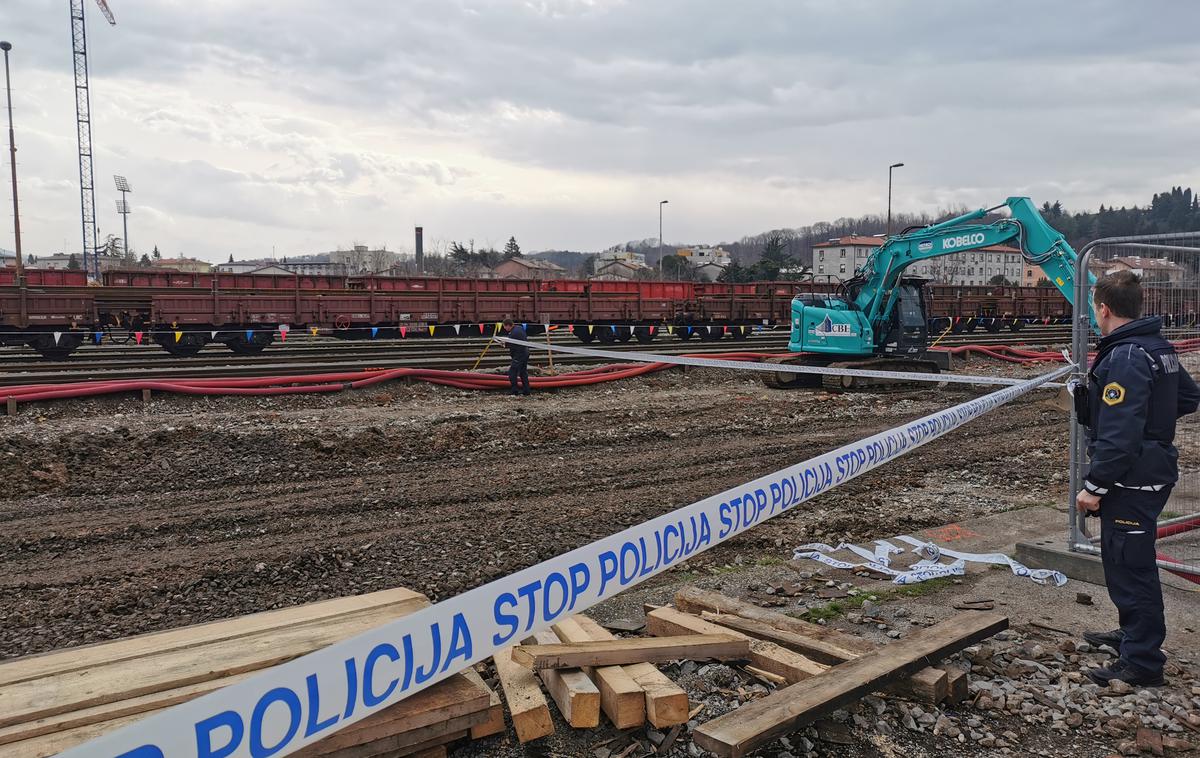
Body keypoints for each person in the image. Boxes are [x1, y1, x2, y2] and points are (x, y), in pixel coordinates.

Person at [1075, 270, 1199, 687]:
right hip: (1148, 470)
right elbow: (1187, 396)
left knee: (1132, 568)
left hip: (1132, 479)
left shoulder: (1126, 356)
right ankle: (1132, 637)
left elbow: (1118, 436)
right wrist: (1154, 425)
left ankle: (1142, 662)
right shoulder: (1155, 347)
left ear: (1103, 308)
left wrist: (1094, 487)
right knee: (1124, 562)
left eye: (1094, 308)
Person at [501, 318, 530, 396]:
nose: (504, 328)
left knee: (512, 372)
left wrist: (504, 344)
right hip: (525, 352)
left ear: (508, 325)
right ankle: (526, 391)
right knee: (523, 372)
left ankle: (514, 391)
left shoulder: (513, 333)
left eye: (504, 326)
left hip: (519, 355)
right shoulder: (519, 328)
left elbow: (511, 343)